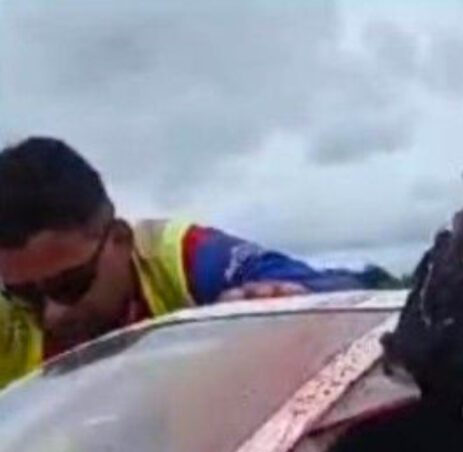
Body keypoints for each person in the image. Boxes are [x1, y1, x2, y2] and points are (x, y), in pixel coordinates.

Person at [0, 136, 375, 389]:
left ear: (120, 239)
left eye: (69, 285)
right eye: (22, 293)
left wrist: (290, 302)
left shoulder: (182, 256)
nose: (51, 315)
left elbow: (346, 298)